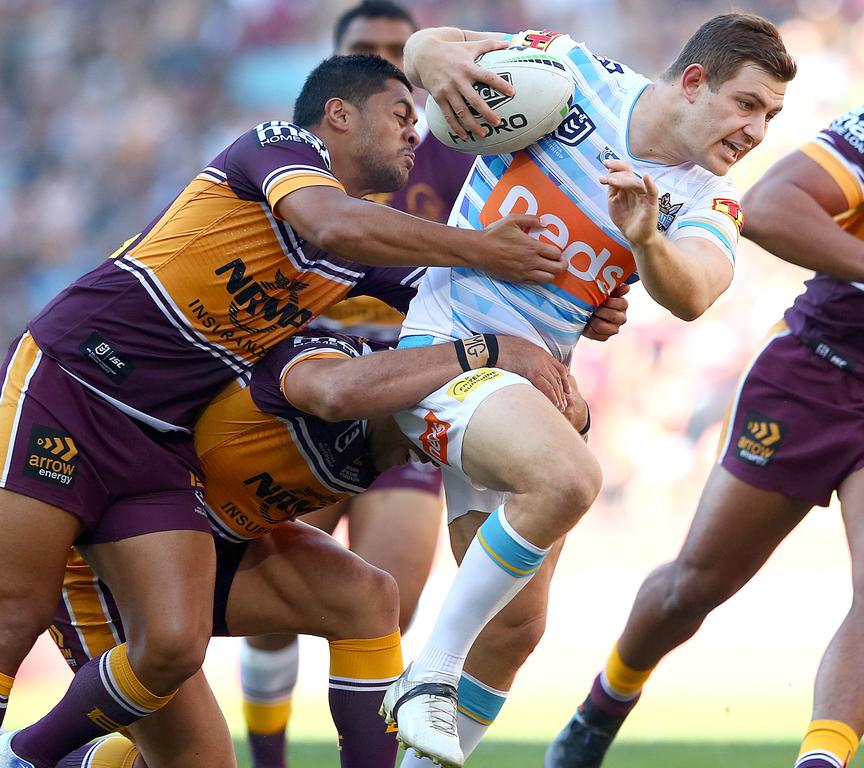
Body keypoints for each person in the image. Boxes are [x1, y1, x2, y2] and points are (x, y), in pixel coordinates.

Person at [0, 52, 568, 768]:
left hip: (159, 443)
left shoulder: (370, 252)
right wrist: (482, 249)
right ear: (338, 114)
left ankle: (29, 756)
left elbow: (462, 302)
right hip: (73, 381)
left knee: (177, 652)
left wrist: (575, 303)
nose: (414, 135)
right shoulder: (275, 147)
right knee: (12, 611)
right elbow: (332, 225)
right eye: (400, 115)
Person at [545, 1, 864, 766]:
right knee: (695, 586)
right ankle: (603, 706)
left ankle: (821, 760)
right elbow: (768, 207)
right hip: (815, 376)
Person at [380, 15, 796, 767]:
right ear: (695, 81)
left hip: (532, 394)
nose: (756, 130)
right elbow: (431, 46)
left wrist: (645, 241)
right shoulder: (570, 75)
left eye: (770, 116)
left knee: (512, 632)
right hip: (443, 356)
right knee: (569, 479)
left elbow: (697, 289)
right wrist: (428, 56)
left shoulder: (712, 199)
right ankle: (428, 677)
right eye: (747, 104)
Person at [48, 325, 575, 768]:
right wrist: (481, 350)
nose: (442, 450)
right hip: (110, 556)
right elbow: (331, 389)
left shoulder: (387, 449)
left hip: (205, 550)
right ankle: (29, 755)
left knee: (368, 596)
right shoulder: (329, 364)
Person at [238, 5, 474, 763]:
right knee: (272, 607)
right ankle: (269, 757)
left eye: (393, 54)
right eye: (363, 53)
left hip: (400, 396)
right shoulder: (287, 159)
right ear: (336, 83)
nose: (381, 62)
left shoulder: (458, 161)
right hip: (301, 388)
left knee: (384, 604)